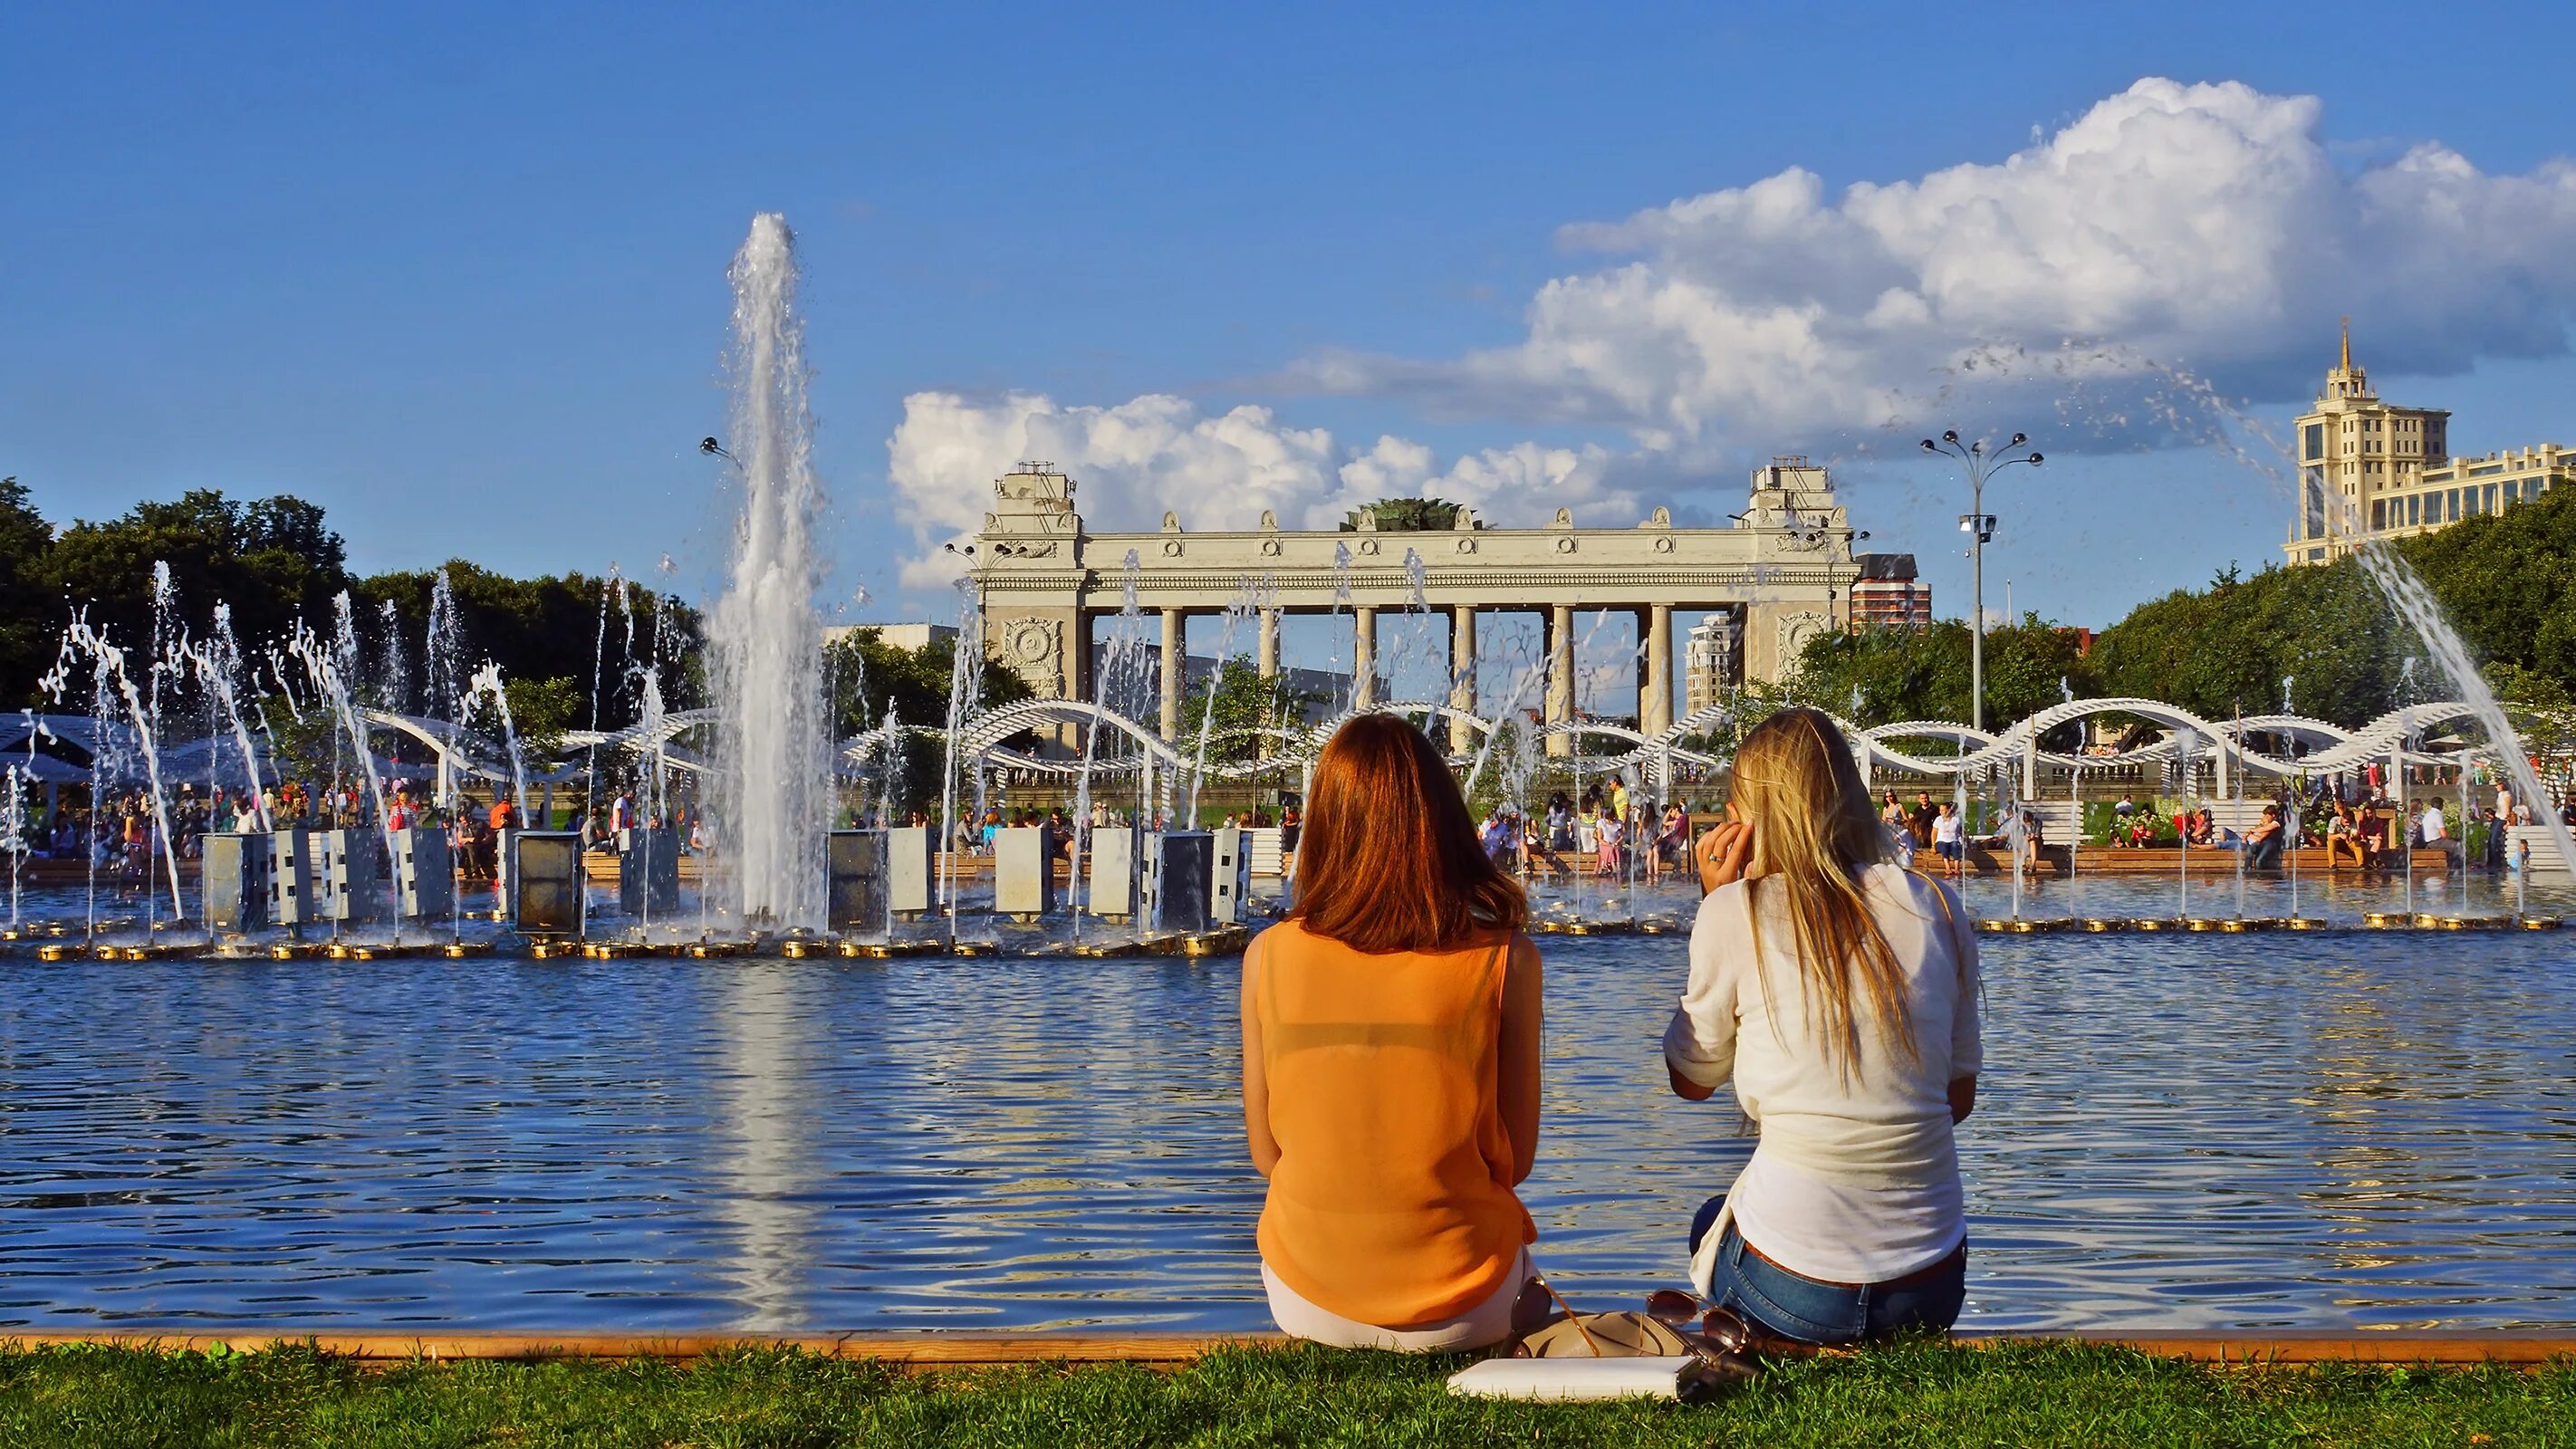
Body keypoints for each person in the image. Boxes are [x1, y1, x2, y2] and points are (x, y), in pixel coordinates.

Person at [1663, 707, 1979, 1346]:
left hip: (1796, 1291)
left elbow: (1691, 1081)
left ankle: (1761, 1336)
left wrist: (1714, 906)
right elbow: (1957, 1100)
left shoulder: (1734, 911)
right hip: (1931, 1286)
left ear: (1748, 821)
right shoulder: (1940, 905)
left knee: (1707, 1224)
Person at [1241, 714, 1543, 1350]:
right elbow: (1515, 1160)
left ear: (1324, 823)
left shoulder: (1266, 957)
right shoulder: (1506, 960)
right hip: (1467, 1299)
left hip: (1304, 1294)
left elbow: (1268, 1156)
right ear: (1439, 820)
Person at [2245, 803, 2285, 871]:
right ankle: (2247, 870)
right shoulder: (2269, 823)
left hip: (2272, 844)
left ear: (2273, 815)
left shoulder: (2276, 823)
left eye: (2267, 816)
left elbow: (2265, 829)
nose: (2265, 817)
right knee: (2250, 849)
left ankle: (2260, 875)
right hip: (2263, 842)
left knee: (2259, 861)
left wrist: (2252, 830)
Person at [1931, 801, 1965, 875]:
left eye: (1943, 810)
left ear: (1949, 810)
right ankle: (1948, 868)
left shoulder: (1956, 819)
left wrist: (1965, 842)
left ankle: (1957, 868)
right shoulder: (1938, 819)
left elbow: (1962, 832)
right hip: (1941, 841)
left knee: (1955, 845)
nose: (1941, 812)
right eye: (1940, 810)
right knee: (1944, 846)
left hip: (1953, 840)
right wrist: (1933, 846)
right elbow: (1934, 833)